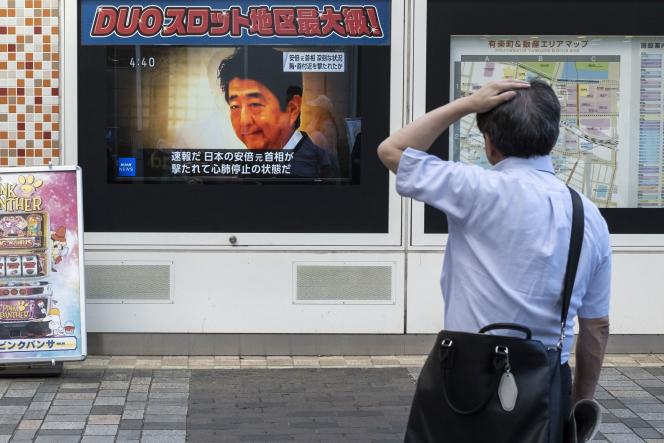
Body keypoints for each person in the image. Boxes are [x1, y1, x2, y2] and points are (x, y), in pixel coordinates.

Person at [378, 80, 611, 421]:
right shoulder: (589, 215)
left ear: (489, 145)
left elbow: (391, 150)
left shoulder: (474, 188)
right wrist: (578, 401)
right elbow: (596, 327)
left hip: (465, 375)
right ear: (554, 138)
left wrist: (467, 105)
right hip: (545, 379)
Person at [217, 46, 339, 178]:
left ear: (292, 109)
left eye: (255, 104)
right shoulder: (246, 167)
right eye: (235, 106)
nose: (244, 121)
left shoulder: (319, 164)